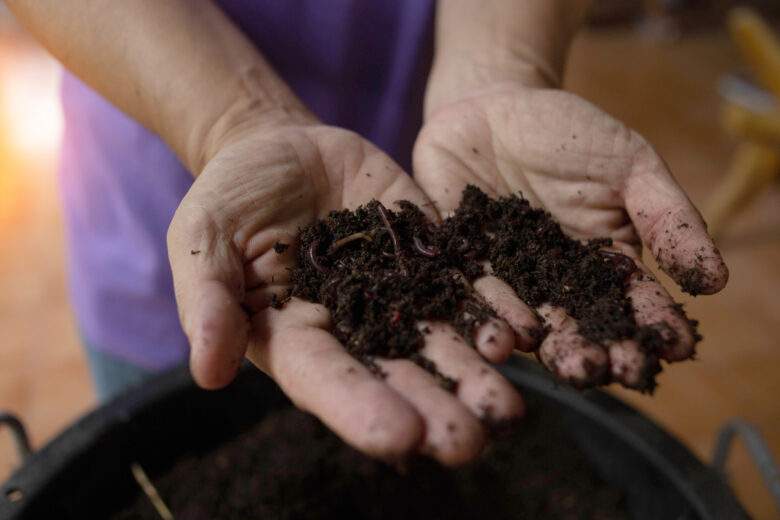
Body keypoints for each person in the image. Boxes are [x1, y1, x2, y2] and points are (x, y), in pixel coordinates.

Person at [8, 0, 728, 467]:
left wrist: (497, 69)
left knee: (445, 453)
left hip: (452, 156)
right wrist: (235, 121)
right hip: (180, 171)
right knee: (194, 453)